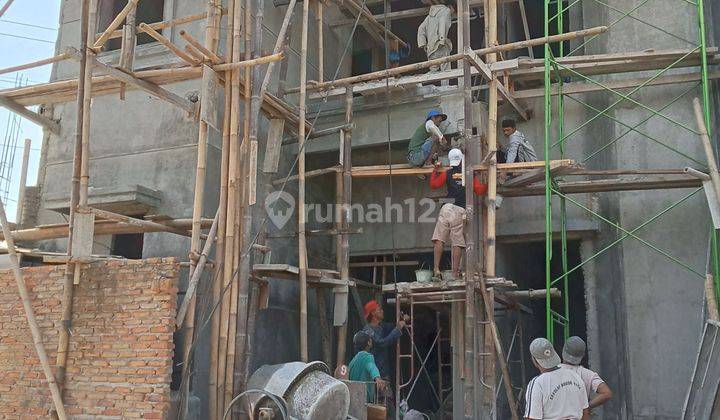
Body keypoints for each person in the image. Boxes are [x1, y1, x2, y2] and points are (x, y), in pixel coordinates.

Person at [429, 148, 488, 279]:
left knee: (439, 238)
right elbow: (479, 191)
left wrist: (435, 171)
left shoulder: (447, 173)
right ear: (462, 159)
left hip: (446, 207)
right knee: (457, 242)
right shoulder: (468, 175)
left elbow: (433, 185)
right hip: (459, 210)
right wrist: (488, 182)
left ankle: (436, 269)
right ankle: (455, 273)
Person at [525, 337, 589, 420]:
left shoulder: (537, 383)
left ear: (534, 360)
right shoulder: (575, 376)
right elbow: (585, 413)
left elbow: (532, 418)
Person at [560, 336, 613, 411]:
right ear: (583, 355)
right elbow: (607, 393)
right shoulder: (588, 374)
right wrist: (586, 407)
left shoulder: (551, 372)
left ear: (563, 351)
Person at [361, 300, 409, 378]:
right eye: (379, 309)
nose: (382, 311)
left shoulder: (382, 326)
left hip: (383, 372)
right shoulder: (368, 330)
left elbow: (394, 326)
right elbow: (382, 343)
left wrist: (403, 320)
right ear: (373, 313)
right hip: (374, 374)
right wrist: (398, 328)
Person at [417, 0, 456, 73]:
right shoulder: (446, 11)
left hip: (430, 48)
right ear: (450, 7)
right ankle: (445, 85)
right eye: (453, 11)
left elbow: (421, 29)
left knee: (433, 69)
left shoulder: (429, 17)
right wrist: (442, 40)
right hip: (440, 45)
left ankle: (421, 82)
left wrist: (423, 44)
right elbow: (442, 23)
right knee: (446, 68)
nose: (452, 13)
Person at [348, 331, 386, 402]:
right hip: (365, 400)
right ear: (368, 342)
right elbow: (372, 367)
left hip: (354, 399)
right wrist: (378, 378)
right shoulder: (367, 357)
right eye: (370, 338)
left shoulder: (353, 361)